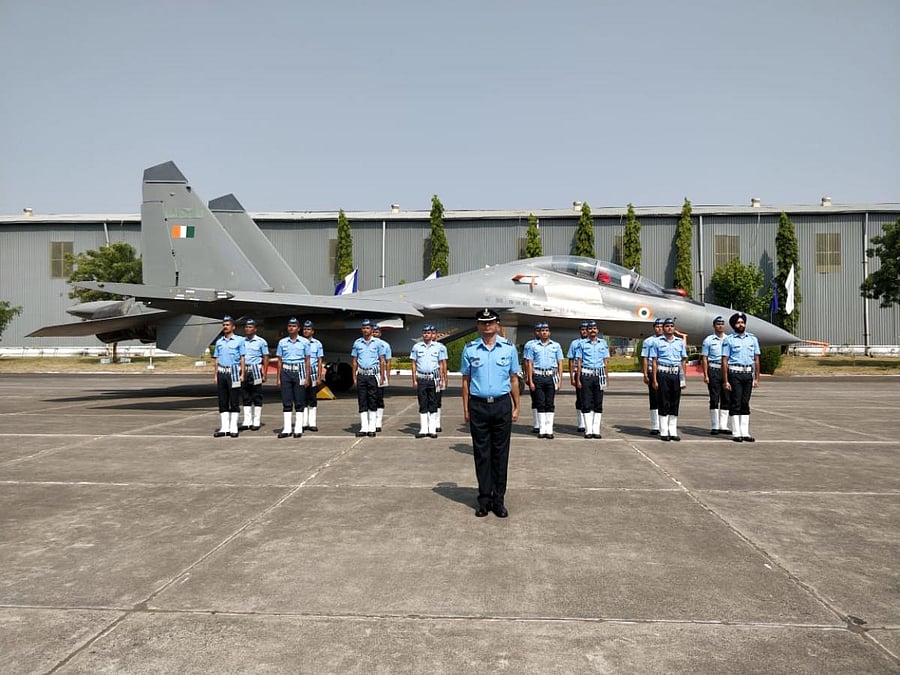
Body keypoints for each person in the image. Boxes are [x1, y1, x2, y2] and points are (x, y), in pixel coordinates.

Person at [461, 308, 520, 518]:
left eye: (491, 323)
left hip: (501, 405)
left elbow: (514, 379)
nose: (487, 326)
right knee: (482, 454)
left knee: (500, 454)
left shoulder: (508, 349)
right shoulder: (470, 349)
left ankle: (499, 500)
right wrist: (466, 409)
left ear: (497, 325)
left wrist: (517, 406)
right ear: (478, 326)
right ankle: (484, 500)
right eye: (483, 323)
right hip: (478, 406)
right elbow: (466, 382)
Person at [722, 312, 761, 442]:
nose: (741, 325)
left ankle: (745, 432)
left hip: (747, 374)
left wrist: (756, 378)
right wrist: (726, 380)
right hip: (735, 373)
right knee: (736, 402)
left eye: (742, 322)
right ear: (734, 325)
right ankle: (736, 432)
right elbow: (724, 360)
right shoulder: (729, 340)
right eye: (738, 323)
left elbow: (756, 359)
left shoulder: (752, 339)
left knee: (745, 403)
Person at [524, 322, 564, 439]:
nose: (544, 332)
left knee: (550, 403)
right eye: (542, 331)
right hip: (538, 376)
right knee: (540, 403)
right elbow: (529, 363)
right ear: (539, 333)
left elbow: (560, 363)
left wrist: (560, 380)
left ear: (549, 332)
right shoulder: (533, 346)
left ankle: (549, 429)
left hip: (551, 376)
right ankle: (542, 429)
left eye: (546, 330)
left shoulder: (556, 346)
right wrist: (530, 380)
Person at [650, 317, 688, 441]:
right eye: (667, 326)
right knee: (663, 401)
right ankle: (664, 431)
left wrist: (683, 379)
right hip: (663, 373)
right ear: (663, 328)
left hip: (675, 374)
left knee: (674, 402)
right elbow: (654, 362)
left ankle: (673, 430)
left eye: (671, 326)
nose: (669, 328)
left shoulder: (680, 342)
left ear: (674, 328)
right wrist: (654, 379)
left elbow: (683, 361)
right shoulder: (657, 342)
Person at [275, 317, 311, 439]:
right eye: (290, 326)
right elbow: (279, 361)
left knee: (299, 400)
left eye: (294, 326)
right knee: (286, 400)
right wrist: (278, 377)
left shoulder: (305, 342)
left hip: (299, 371)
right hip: (286, 371)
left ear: (298, 328)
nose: (291, 328)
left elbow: (307, 360)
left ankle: (298, 428)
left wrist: (307, 377)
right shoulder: (282, 342)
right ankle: (286, 428)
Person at [410, 324, 448, 438]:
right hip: (422, 378)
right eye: (425, 333)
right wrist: (414, 379)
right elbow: (413, 364)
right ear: (422, 334)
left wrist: (442, 379)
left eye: (428, 333)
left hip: (434, 378)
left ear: (432, 335)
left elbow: (441, 364)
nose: (426, 335)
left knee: (433, 403)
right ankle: (423, 429)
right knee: (422, 403)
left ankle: (432, 429)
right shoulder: (417, 347)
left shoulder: (438, 347)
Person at [575, 320, 611, 439]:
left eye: (594, 328)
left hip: (599, 374)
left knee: (598, 402)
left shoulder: (603, 343)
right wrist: (579, 379)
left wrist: (606, 376)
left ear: (597, 330)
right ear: (587, 331)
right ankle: (588, 430)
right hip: (586, 375)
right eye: (590, 329)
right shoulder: (582, 344)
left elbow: (605, 361)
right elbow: (579, 362)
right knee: (586, 402)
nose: (592, 330)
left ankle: (596, 430)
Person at [352, 319, 387, 437]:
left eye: (368, 328)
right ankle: (364, 427)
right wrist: (354, 377)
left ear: (372, 330)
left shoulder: (378, 343)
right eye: (363, 328)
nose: (365, 330)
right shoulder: (357, 343)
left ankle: (372, 427)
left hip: (373, 375)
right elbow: (354, 361)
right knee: (362, 400)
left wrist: (382, 376)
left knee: (373, 400)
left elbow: (382, 360)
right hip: (361, 374)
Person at [212, 315, 246, 438]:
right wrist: (215, 375)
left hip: (234, 373)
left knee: (234, 400)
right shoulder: (219, 342)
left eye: (227, 325)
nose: (225, 327)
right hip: (222, 372)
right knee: (222, 401)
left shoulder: (239, 341)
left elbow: (242, 357)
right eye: (224, 325)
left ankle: (233, 427)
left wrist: (242, 374)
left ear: (233, 327)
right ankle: (224, 428)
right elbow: (216, 359)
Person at [701, 316, 729, 435]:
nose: (720, 326)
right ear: (714, 325)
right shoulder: (708, 340)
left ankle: (723, 425)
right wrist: (706, 374)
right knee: (714, 398)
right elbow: (704, 358)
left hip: (727, 371)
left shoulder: (729, 339)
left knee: (726, 398)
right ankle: (715, 425)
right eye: (718, 324)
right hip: (714, 369)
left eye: (722, 323)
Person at [239, 318, 269, 431]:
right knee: (245, 396)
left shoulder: (261, 342)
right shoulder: (241, 341)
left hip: (256, 370)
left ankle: (256, 421)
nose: (248, 329)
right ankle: (247, 421)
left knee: (257, 395)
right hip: (244, 370)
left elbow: (265, 357)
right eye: (246, 327)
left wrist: (264, 373)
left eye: (250, 327)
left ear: (255, 329)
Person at [641, 318, 665, 435]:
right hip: (652, 371)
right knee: (654, 398)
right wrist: (645, 374)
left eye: (661, 326)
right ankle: (655, 425)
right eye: (657, 326)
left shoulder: (668, 340)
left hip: (665, 371)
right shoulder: (648, 341)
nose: (659, 329)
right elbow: (645, 359)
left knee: (665, 398)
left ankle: (664, 425)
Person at [301, 320, 325, 432]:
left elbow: (320, 360)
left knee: (312, 398)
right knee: (302, 397)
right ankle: (304, 422)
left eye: (308, 329)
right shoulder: (299, 342)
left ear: (313, 331)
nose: (306, 331)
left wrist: (320, 376)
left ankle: (312, 422)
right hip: (301, 373)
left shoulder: (317, 344)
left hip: (313, 373)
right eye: (305, 329)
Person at [567, 322, 591, 432]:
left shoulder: (593, 343)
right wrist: (572, 377)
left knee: (591, 399)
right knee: (580, 398)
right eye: (582, 329)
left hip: (591, 372)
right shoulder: (575, 343)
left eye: (586, 329)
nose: (584, 331)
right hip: (579, 373)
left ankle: (590, 423)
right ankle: (581, 422)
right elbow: (571, 361)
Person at [371, 325, 391, 432]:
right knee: (370, 398)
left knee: (379, 397)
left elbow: (388, 361)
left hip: (380, 374)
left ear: (380, 333)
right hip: (369, 374)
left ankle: (378, 422)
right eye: (373, 332)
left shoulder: (385, 345)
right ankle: (371, 421)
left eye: (377, 332)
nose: (375, 333)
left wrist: (387, 375)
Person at [524, 325, 542, 434]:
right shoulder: (529, 345)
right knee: (535, 400)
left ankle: (543, 424)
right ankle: (537, 423)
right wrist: (527, 376)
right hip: (534, 374)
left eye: (542, 330)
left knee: (545, 401)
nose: (540, 332)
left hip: (546, 375)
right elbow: (526, 361)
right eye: (538, 330)